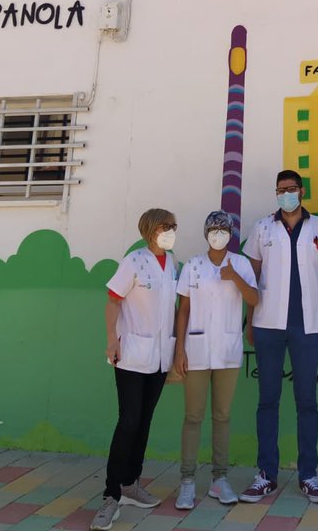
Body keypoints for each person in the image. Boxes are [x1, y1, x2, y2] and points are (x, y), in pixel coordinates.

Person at [240, 170, 318, 504]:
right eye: (281, 191)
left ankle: (308, 475)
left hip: (308, 326)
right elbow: (250, 279)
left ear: (302, 191)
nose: (286, 195)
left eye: (291, 189)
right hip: (268, 325)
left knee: (307, 401)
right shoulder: (262, 228)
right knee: (268, 400)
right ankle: (266, 474)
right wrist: (250, 322)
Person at [91, 208, 179, 531]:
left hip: (158, 357)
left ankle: (131, 484)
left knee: (144, 421)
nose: (170, 231)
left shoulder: (173, 264)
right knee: (128, 421)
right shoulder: (134, 260)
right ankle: (111, 496)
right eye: (164, 226)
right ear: (149, 230)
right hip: (130, 354)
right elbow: (113, 300)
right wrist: (111, 341)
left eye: (173, 226)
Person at [173, 210, 258, 509]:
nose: (218, 233)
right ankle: (186, 482)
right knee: (193, 416)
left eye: (224, 229)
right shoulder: (193, 265)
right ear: (206, 232)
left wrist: (234, 276)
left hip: (228, 351)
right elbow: (183, 309)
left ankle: (219, 480)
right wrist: (179, 349)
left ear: (231, 233)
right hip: (195, 350)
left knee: (222, 416)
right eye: (214, 228)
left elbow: (254, 300)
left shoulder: (242, 264)